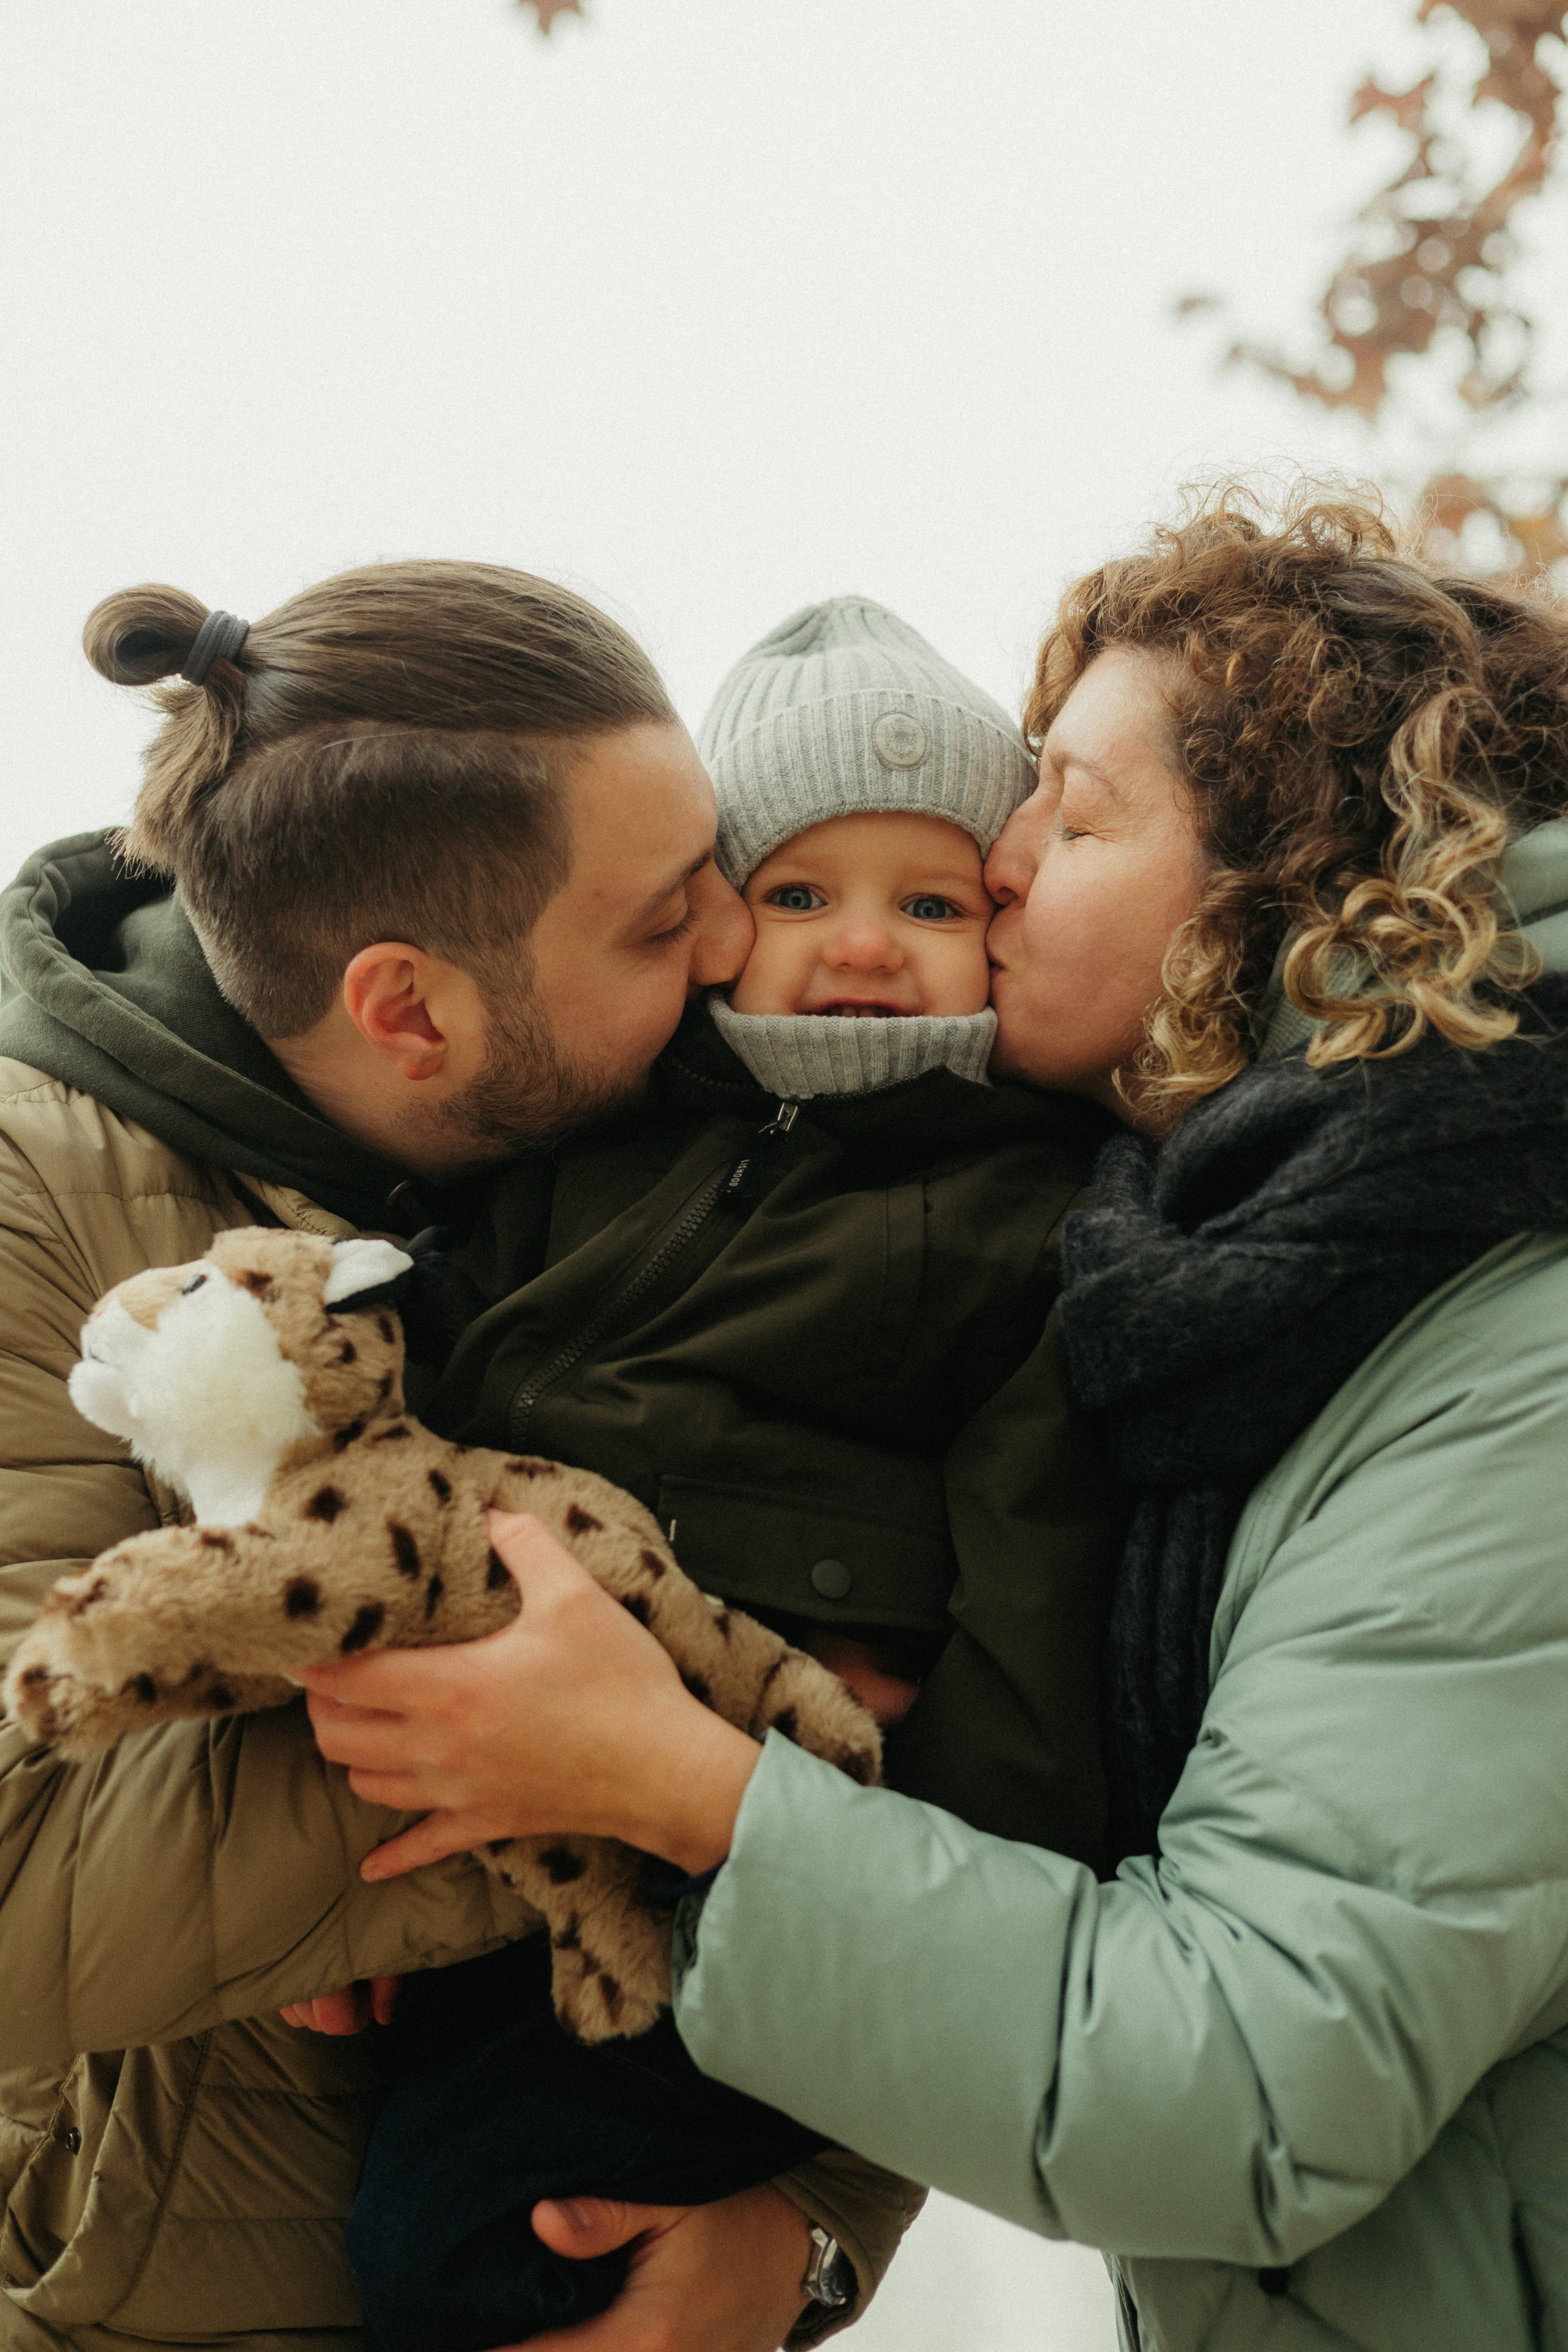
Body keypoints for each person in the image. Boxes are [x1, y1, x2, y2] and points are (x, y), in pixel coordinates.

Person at [306, 488, 1568, 2352]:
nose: (1000, 861)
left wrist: (684, 1785)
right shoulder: (1261, 1286)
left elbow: (1252, 2078)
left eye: (1074, 804)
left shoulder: (1508, 1354)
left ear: (1301, 869)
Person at [0, 564, 916, 2352]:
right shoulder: (31, 1202)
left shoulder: (696, 1122)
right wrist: (616, 1760)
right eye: (662, 923)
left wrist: (810, 2232)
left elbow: (934, 1691)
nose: (739, 942)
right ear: (412, 1010)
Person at [336, 597, 1123, 2352]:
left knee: (477, 2241)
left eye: (929, 904)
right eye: (801, 895)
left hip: (766, 1840)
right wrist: (327, 1860)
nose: (865, 946)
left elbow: (1035, 1585)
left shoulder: (1021, 1202)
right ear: (710, 920)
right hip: (486, 1802)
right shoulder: (602, 1135)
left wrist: (902, 1849)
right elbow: (427, 1389)